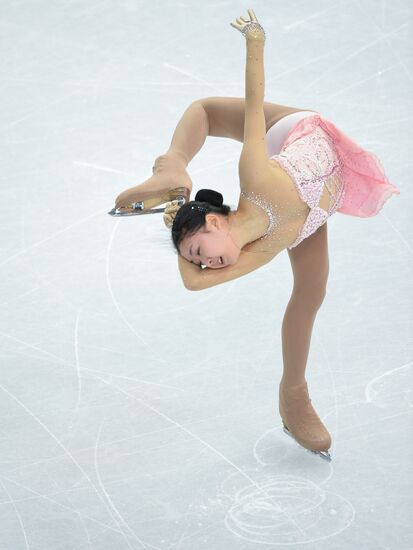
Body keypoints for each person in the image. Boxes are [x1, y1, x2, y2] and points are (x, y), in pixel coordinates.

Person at [111, 9, 400, 462]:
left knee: (204, 110)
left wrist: (255, 43)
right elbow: (192, 282)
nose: (204, 264)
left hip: (292, 134)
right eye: (198, 259)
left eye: (199, 251)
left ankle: (170, 168)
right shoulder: (257, 253)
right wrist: (182, 232)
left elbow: (252, 102)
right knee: (311, 292)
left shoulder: (255, 177)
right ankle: (293, 394)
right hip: (308, 213)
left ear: (215, 221)